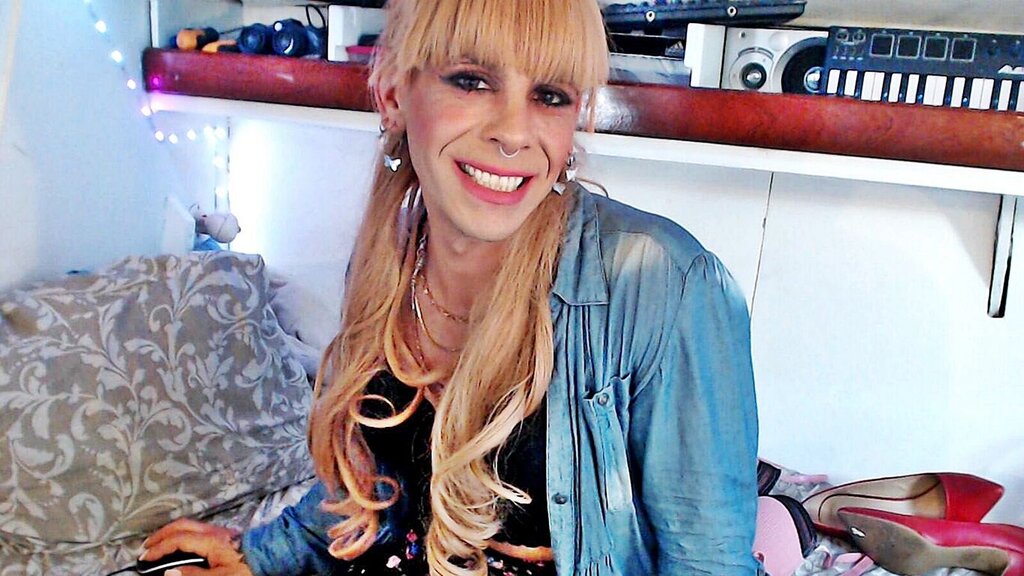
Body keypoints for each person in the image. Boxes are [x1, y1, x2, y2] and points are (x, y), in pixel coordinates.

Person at [141, 0, 760, 574]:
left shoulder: (665, 284)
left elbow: (708, 561)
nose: (514, 133)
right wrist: (258, 557)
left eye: (549, 95)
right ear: (393, 94)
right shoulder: (389, 256)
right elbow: (369, 485)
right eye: (472, 81)